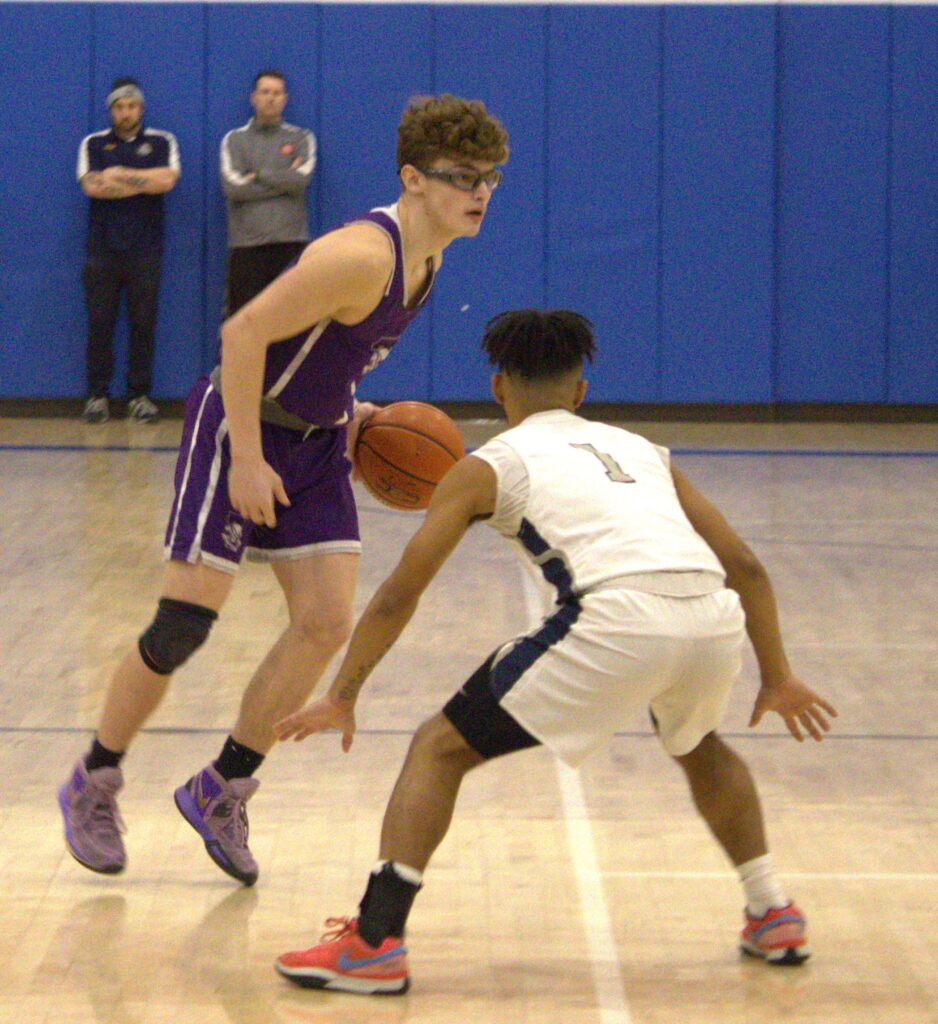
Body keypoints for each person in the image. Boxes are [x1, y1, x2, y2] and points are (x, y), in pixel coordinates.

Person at [272, 309, 839, 995]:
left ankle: (374, 943)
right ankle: (771, 909)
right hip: (710, 615)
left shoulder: (487, 466)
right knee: (698, 744)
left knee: (438, 747)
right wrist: (776, 676)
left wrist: (343, 695)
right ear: (580, 393)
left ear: (498, 388)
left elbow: (398, 595)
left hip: (615, 618)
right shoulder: (642, 451)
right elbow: (745, 565)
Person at [57, 95, 509, 885]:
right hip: (239, 427)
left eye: (491, 179)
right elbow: (242, 334)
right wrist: (244, 461)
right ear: (412, 177)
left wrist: (356, 414)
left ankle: (222, 788)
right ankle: (93, 778)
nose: (480, 192)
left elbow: (328, 353)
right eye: (463, 177)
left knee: (326, 622)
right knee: (181, 628)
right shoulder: (363, 253)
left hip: (320, 438)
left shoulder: (430, 261)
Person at [77, 77, 180, 424]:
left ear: (141, 107)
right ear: (111, 110)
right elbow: (93, 187)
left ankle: (139, 396)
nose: (125, 112)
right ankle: (97, 396)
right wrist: (141, 183)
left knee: (143, 324)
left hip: (145, 251)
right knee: (100, 324)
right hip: (102, 252)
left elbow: (166, 181)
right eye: (119, 107)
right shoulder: (93, 144)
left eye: (131, 106)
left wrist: (119, 174)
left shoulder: (161, 141)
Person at [220, 70, 316, 319]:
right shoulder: (234, 140)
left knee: (290, 325)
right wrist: (283, 176)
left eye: (276, 93)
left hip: (290, 244)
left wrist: (257, 174)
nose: (271, 98)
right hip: (246, 247)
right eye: (265, 92)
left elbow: (300, 180)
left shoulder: (302, 138)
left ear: (285, 99)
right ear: (253, 97)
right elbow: (233, 188)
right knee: (242, 324)